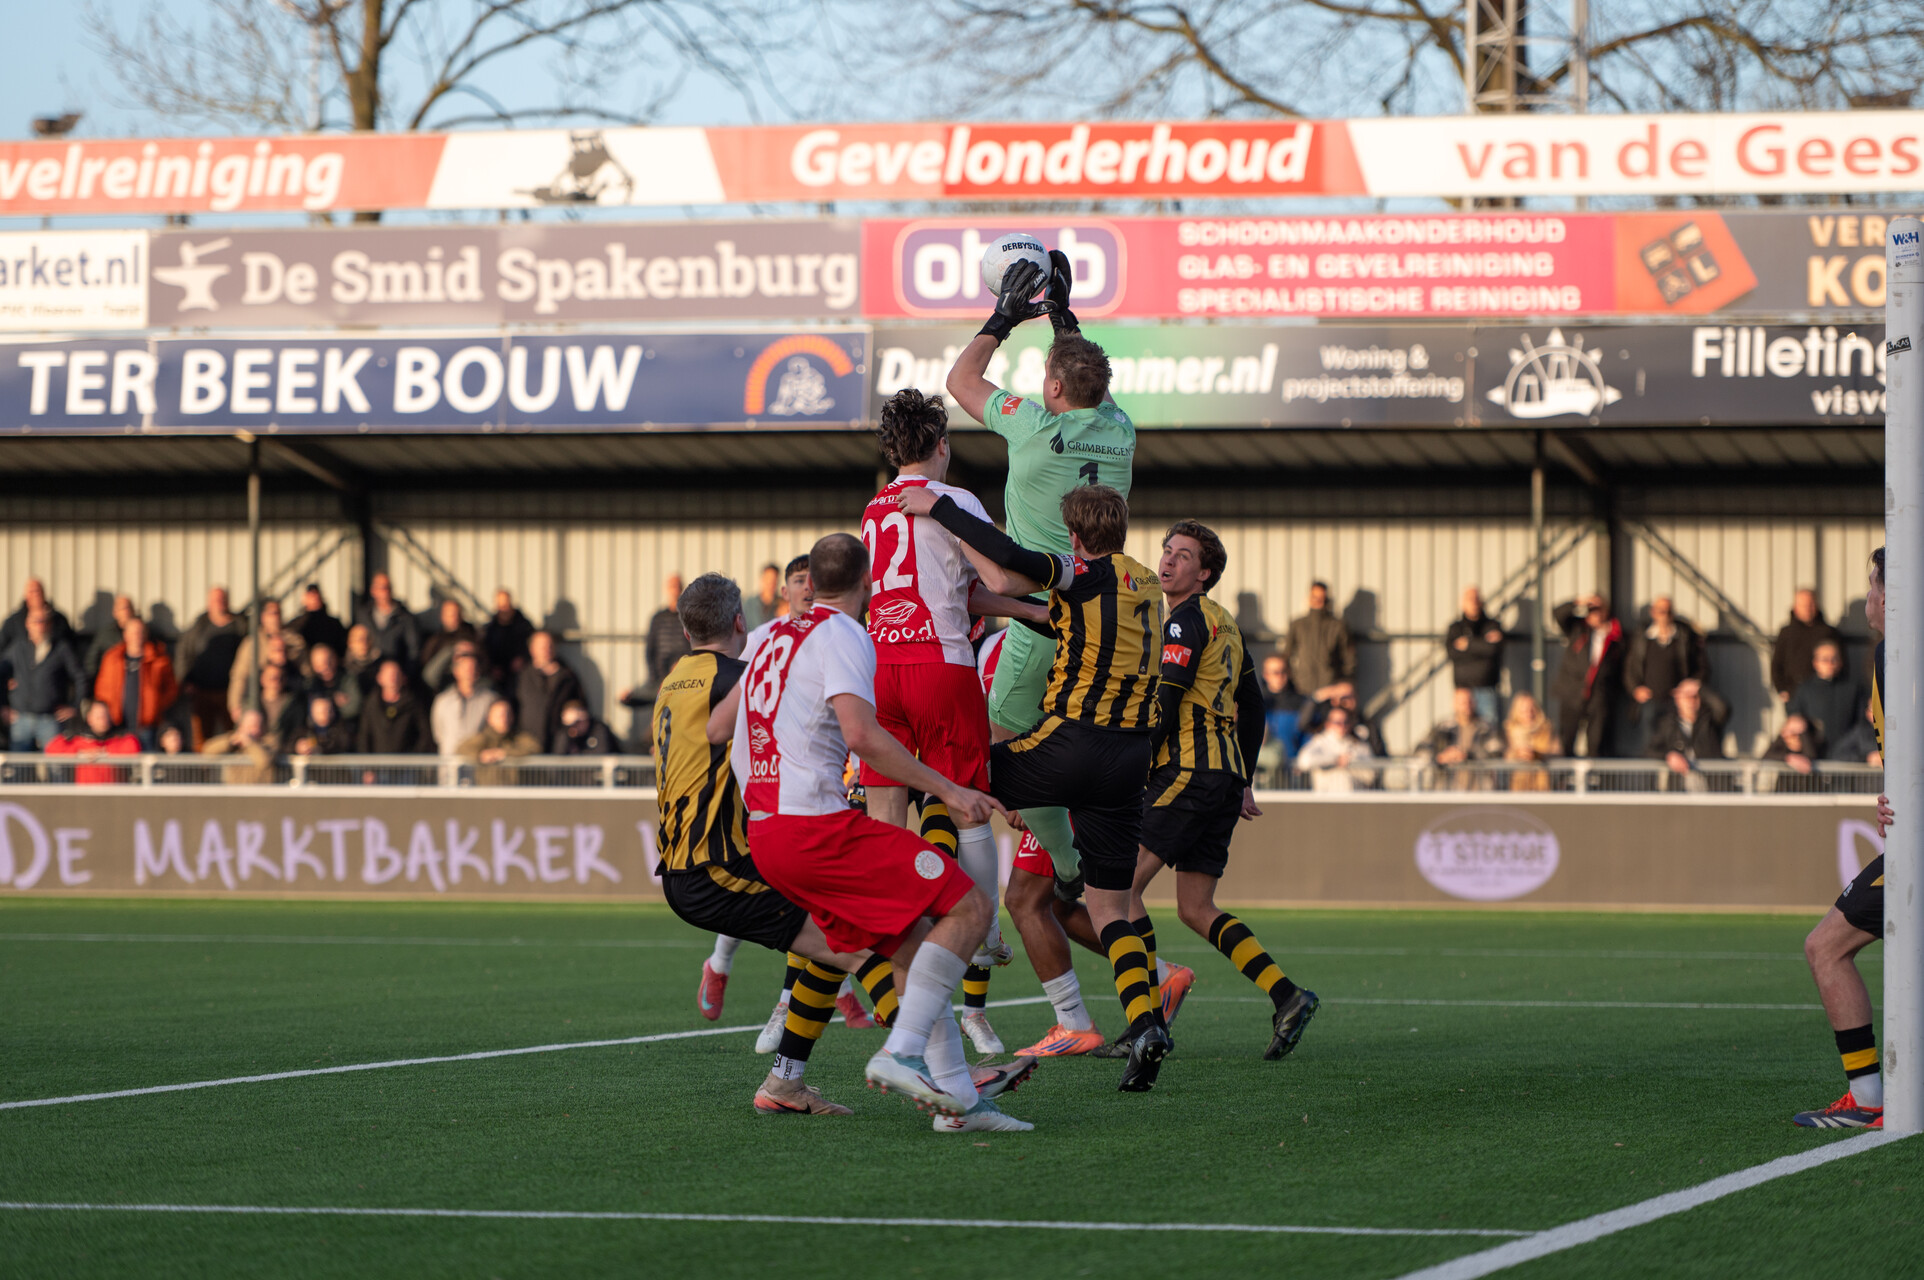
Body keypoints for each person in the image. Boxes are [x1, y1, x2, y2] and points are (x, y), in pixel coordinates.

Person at [718, 535, 1024, 1131]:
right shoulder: (847, 635)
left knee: (910, 943)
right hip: (816, 829)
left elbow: (716, 728)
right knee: (968, 906)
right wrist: (949, 789)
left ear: (809, 584)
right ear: (869, 580)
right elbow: (862, 736)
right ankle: (901, 1052)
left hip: (767, 832)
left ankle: (959, 1104)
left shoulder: (770, 635)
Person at [899, 481, 1173, 1093]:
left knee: (956, 778)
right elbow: (1080, 630)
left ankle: (976, 922)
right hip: (1129, 759)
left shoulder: (1081, 572)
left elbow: (1010, 561)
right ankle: (1146, 1024)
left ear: (1074, 537)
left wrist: (939, 508)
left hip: (1073, 743)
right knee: (1109, 909)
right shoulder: (1147, 584)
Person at [658, 573, 914, 1116]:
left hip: (697, 863)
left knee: (834, 936)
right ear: (739, 622)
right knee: (860, 942)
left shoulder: (673, 680)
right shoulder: (739, 679)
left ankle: (786, 1082)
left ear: (685, 632)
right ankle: (935, 1067)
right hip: (716, 866)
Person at [858, 387, 1051, 1057]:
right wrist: (1039, 592)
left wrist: (1024, 615)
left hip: (881, 669)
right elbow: (996, 577)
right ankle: (985, 930)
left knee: (887, 817)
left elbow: (946, 585)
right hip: (940, 665)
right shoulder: (954, 499)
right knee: (969, 804)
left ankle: (894, 931)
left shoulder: (874, 509)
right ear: (942, 446)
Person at [942, 245, 1135, 907]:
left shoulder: (1030, 428)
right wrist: (1062, 318)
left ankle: (1067, 861)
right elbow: (1089, 385)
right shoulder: (1121, 431)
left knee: (1001, 737)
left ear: (1051, 390)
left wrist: (1003, 319)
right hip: (1105, 619)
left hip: (1042, 618)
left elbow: (961, 381)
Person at [1127, 520, 1318, 1062]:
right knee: (1195, 906)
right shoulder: (1225, 624)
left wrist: (1135, 764)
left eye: (1183, 556)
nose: (1168, 560)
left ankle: (1146, 1022)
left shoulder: (1183, 621)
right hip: (1222, 776)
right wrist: (1245, 778)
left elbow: (1167, 701)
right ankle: (1287, 995)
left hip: (1186, 771)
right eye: (1167, 550)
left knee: (1119, 891)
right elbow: (1253, 706)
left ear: (1204, 574)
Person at [1796, 548, 1890, 1130]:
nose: (1867, 599)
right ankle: (1870, 1096)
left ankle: (1870, 1098)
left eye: (1874, 585)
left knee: (1825, 948)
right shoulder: (1884, 655)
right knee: (1826, 947)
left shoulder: (1901, 654)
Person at [5, 608, 87, 751]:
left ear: (50, 625)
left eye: (44, 621)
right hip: (21, 719)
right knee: (19, 763)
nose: (40, 626)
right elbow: (1, 674)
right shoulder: (17, 648)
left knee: (54, 762)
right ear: (27, 624)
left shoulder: (61, 648)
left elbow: (80, 677)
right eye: (36, 621)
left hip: (50, 720)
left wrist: (74, 705)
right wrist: (3, 706)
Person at [1552, 594, 1624, 758]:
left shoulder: (1616, 636)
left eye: (1598, 609)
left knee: (1596, 742)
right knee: (1566, 739)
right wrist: (1578, 602)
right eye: (1591, 610)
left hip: (1599, 695)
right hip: (1572, 692)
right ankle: (1565, 773)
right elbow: (1558, 613)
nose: (1594, 613)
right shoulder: (1578, 629)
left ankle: (1594, 773)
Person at [175, 587, 246, 748]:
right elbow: (184, 653)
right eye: (215, 599)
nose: (219, 602)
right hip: (202, 691)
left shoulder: (240, 626)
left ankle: (235, 763)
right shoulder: (199, 627)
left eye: (222, 599)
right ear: (208, 603)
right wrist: (185, 679)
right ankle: (202, 764)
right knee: (201, 738)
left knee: (235, 737)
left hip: (231, 693)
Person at [1623, 596, 1707, 732]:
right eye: (1661, 611)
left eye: (1669, 612)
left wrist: (1690, 686)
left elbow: (1701, 666)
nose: (1665, 616)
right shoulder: (1642, 637)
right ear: (1653, 613)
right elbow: (1630, 666)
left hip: (1677, 702)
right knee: (1650, 739)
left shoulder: (1684, 637)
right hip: (1650, 701)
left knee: (1676, 739)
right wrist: (1635, 688)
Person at [93, 618, 177, 747]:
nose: (136, 636)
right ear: (125, 635)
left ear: (145, 634)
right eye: (132, 632)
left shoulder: (158, 659)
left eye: (140, 632)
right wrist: (108, 711)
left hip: (146, 727)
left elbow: (171, 688)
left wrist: (156, 705)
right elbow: (101, 688)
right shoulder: (112, 658)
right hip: (117, 726)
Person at [228, 599, 306, 721]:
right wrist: (235, 704)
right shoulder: (252, 643)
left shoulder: (295, 640)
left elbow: (306, 671)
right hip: (260, 700)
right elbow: (239, 675)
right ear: (263, 617)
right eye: (272, 613)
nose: (276, 617)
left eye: (278, 613)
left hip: (288, 698)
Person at [1643, 679, 1727, 791]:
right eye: (1687, 697)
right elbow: (1650, 750)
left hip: (1712, 787)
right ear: (1678, 699)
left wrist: (1700, 688)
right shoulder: (1668, 724)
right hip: (1679, 790)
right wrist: (1668, 756)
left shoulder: (1709, 721)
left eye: (1695, 697)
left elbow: (1723, 708)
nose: (1691, 701)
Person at [1787, 641, 1866, 759]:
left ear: (1840, 662)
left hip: (1846, 755)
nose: (1830, 663)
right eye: (1825, 659)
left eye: (1834, 659)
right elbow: (1795, 717)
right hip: (1813, 755)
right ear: (1815, 663)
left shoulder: (1853, 688)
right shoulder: (1805, 689)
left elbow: (1862, 722)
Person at [1417, 686, 1504, 790]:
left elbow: (1496, 753)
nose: (1466, 705)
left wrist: (1467, 756)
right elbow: (1421, 750)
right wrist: (1440, 757)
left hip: (1479, 790)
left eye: (1469, 701)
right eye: (1462, 702)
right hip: (1447, 790)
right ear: (1454, 704)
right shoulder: (1443, 728)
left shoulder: (1486, 728)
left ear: (1475, 703)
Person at [1285, 581, 1356, 701]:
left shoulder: (1338, 626)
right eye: (1315, 597)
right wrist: (1292, 680)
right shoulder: (1298, 625)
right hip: (1301, 687)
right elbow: (1286, 654)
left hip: (1330, 689)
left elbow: (1349, 658)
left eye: (1321, 597)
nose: (1318, 601)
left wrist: (1343, 683)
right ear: (1309, 598)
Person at [1445, 586, 1505, 726]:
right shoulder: (1456, 628)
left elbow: (1492, 649)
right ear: (1463, 603)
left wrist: (1468, 644)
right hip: (1463, 691)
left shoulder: (1492, 625)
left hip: (1486, 689)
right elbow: (1452, 653)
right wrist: (1482, 643)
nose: (1474, 602)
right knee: (1463, 728)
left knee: (1488, 728)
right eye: (1470, 599)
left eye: (1476, 599)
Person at [516, 630, 583, 752]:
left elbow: (580, 705)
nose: (546, 650)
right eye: (542, 646)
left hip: (559, 744)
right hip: (528, 743)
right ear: (532, 649)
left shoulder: (567, 677)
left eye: (549, 645)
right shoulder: (522, 677)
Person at [1772, 588, 1841, 705]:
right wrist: (1782, 689)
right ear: (1795, 607)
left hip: (1823, 694)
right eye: (1803, 605)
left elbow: (1842, 663)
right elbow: (1777, 663)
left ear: (1816, 605)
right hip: (1793, 694)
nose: (1807, 609)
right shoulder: (1786, 633)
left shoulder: (1829, 633)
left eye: (1811, 604)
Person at [46, 702, 139, 784]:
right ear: (89, 719)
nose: (103, 719)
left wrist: (103, 751)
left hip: (112, 793)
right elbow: (51, 748)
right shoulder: (79, 739)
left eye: (105, 715)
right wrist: (80, 753)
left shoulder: (118, 738)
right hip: (85, 793)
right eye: (98, 716)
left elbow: (133, 747)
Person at [356, 659, 433, 755]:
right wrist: (367, 762)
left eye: (396, 675)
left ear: (403, 678)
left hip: (406, 762)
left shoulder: (414, 704)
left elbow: (425, 734)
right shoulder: (371, 704)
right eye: (389, 675)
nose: (393, 679)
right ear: (379, 678)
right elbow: (364, 736)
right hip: (377, 761)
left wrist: (413, 757)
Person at [430, 643, 494, 756]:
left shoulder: (489, 699)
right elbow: (438, 734)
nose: (469, 672)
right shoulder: (443, 700)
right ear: (456, 672)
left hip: (476, 759)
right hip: (449, 758)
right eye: (465, 668)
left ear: (478, 672)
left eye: (472, 668)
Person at [458, 698, 540, 784]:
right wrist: (481, 755)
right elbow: (461, 749)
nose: (504, 719)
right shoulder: (482, 738)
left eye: (508, 714)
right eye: (500, 715)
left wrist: (504, 753)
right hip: (486, 789)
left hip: (514, 789)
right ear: (489, 718)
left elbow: (534, 747)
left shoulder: (518, 737)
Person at [1295, 706, 1375, 792]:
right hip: (1327, 797)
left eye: (1346, 722)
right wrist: (1335, 760)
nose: (1342, 726)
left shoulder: (1359, 744)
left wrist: (1351, 762)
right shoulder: (1319, 742)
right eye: (1337, 722)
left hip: (1354, 797)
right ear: (1328, 724)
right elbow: (1304, 761)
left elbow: (1371, 775)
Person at [355, 573, 420, 676]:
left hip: (394, 674)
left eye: (387, 587)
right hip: (368, 670)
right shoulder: (363, 615)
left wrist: (406, 674)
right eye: (381, 588)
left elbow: (413, 650)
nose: (385, 592)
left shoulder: (405, 618)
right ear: (373, 590)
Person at [1256, 652, 1308, 773]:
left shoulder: (1302, 702)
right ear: (1265, 675)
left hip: (1292, 769)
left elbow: (1307, 736)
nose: (1280, 676)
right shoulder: (1256, 702)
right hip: (1260, 769)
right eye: (1275, 672)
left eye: (1283, 671)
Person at [200, 708, 279, 785]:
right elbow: (207, 750)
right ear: (241, 726)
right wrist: (230, 742)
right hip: (234, 789)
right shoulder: (233, 739)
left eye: (257, 726)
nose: (254, 730)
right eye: (249, 726)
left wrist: (249, 743)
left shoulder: (269, 741)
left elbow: (264, 762)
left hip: (260, 790)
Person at [644, 574, 691, 701]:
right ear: (666, 589)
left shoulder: (688, 617)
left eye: (677, 586)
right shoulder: (658, 618)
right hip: (659, 679)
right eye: (672, 586)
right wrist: (654, 678)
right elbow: (650, 650)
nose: (675, 590)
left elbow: (693, 646)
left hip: (684, 679)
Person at [420, 599, 479, 692]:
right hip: (444, 683)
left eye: (456, 614)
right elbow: (428, 670)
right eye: (450, 615)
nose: (454, 618)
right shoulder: (436, 639)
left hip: (469, 680)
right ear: (442, 617)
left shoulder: (471, 636)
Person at [0, 577, 73, 652]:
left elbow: (70, 646)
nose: (36, 594)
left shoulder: (59, 620)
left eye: (38, 591)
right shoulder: (13, 623)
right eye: (32, 591)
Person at [481, 589, 535, 689]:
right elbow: (484, 649)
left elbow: (533, 645)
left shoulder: (524, 626)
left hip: (520, 674)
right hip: (496, 675)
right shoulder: (490, 629)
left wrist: (523, 658)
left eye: (506, 605)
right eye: (501, 606)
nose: (504, 610)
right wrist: (492, 667)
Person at [1503, 692, 1556, 792]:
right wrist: (1516, 754)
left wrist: (1537, 755)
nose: (1529, 713)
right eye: (1524, 710)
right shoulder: (1509, 732)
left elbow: (1556, 753)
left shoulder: (1547, 730)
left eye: (1532, 709)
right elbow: (1504, 754)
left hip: (1542, 787)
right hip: (1518, 787)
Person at [82, 595, 139, 679]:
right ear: (115, 612)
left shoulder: (142, 632)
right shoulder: (106, 634)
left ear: (133, 610)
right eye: (123, 608)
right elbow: (91, 662)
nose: (126, 611)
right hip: (112, 679)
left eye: (129, 608)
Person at [304, 643, 361, 726]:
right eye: (320, 663)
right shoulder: (309, 686)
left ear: (335, 659)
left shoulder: (348, 679)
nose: (326, 666)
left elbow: (354, 707)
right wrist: (334, 701)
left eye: (329, 660)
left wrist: (327, 708)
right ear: (313, 665)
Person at [288, 583, 348, 661]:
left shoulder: (334, 624)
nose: (314, 599)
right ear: (304, 599)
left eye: (316, 596)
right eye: (311, 596)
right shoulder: (297, 625)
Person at [551, 700, 616, 755]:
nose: (575, 726)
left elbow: (602, 753)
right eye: (571, 723)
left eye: (577, 722)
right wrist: (568, 731)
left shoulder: (598, 729)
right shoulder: (565, 733)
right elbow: (558, 756)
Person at [744, 563, 783, 630]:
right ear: (762, 579)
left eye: (773, 580)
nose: (770, 583)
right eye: (768, 579)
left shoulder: (782, 605)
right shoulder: (750, 604)